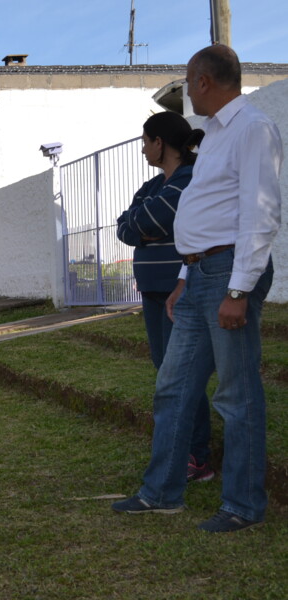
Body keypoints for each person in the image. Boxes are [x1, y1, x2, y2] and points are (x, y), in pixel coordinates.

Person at [112, 44, 283, 532]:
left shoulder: (252, 129)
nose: (186, 91)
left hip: (230, 275)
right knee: (172, 386)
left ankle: (243, 506)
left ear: (206, 81)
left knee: (236, 394)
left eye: (188, 82)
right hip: (200, 276)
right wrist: (185, 277)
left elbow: (260, 214)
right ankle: (162, 492)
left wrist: (239, 290)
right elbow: (209, 216)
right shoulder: (214, 138)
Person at [116, 112, 213, 483]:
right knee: (164, 371)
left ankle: (196, 455)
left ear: (160, 143)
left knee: (181, 375)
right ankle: (183, 447)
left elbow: (149, 221)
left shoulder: (188, 180)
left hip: (180, 289)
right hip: (153, 292)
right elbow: (125, 226)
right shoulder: (152, 187)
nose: (142, 149)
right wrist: (144, 230)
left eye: (145, 141)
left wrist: (144, 228)